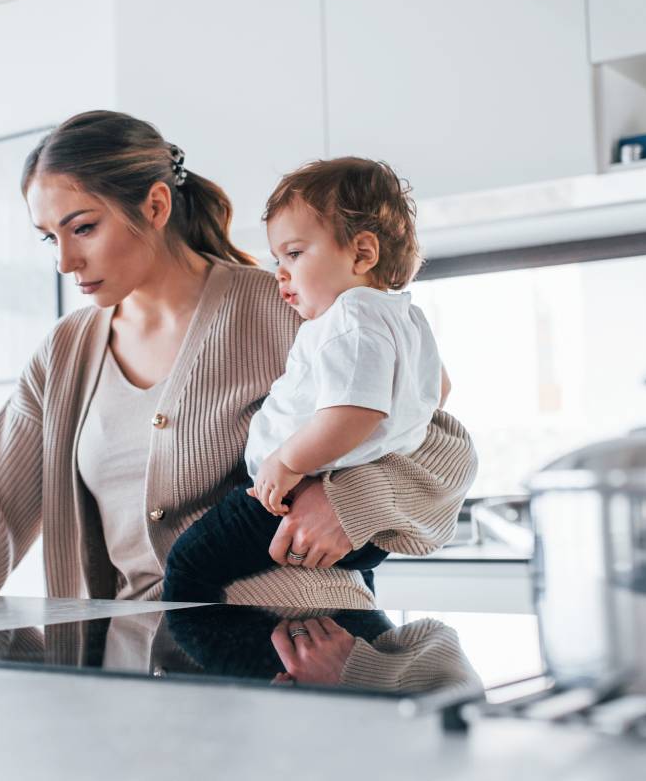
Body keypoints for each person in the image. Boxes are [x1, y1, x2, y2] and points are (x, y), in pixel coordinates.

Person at [0, 110, 477, 609]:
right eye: (50, 238)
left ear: (155, 207)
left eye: (83, 228)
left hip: (295, 649)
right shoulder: (65, 353)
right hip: (131, 670)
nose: (63, 262)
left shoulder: (290, 305)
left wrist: (349, 501)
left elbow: (444, 444)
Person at [161, 158, 449, 603]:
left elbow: (355, 412)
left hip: (290, 498)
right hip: (358, 521)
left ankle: (209, 665)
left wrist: (288, 461)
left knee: (187, 566)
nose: (280, 271)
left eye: (294, 253)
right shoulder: (407, 317)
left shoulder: (349, 317)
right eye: (278, 258)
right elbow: (437, 391)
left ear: (362, 253)